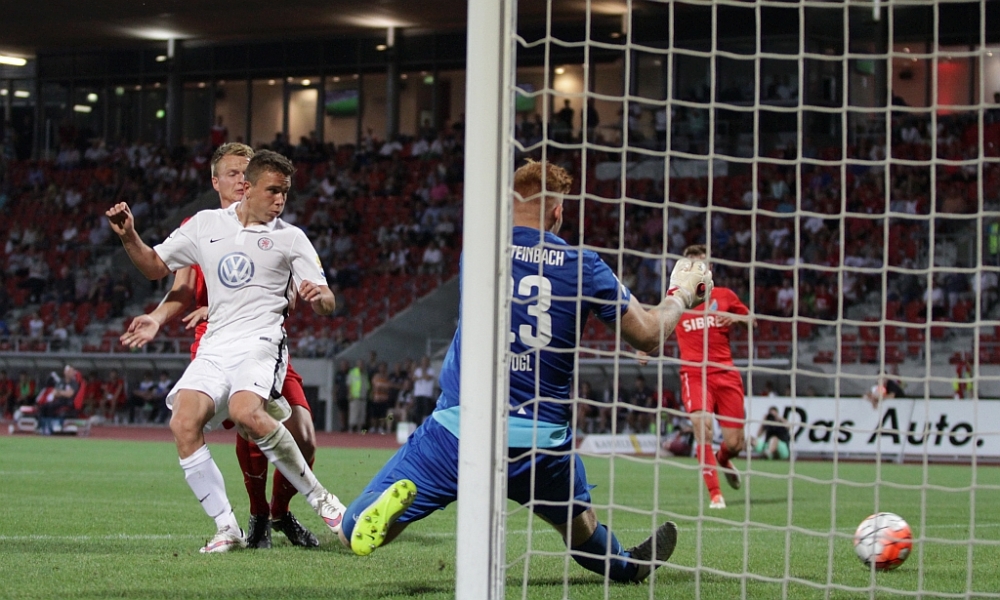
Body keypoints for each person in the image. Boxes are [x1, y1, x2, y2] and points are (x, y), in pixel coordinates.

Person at [337, 160, 713, 584]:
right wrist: (680, 297)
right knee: (582, 531)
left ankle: (374, 514)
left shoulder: (478, 253)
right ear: (557, 212)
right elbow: (647, 336)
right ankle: (625, 565)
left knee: (360, 524)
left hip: (460, 431)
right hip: (542, 443)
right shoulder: (584, 265)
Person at [106, 149, 346, 553]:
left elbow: (326, 299)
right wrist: (130, 235)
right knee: (183, 422)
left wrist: (318, 296)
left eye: (285, 193)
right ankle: (228, 528)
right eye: (274, 191)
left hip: (261, 344)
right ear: (244, 187)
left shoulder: (290, 237)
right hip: (215, 344)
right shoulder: (204, 225)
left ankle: (322, 502)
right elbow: (155, 268)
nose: (280, 200)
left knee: (248, 414)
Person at [672, 244, 753, 510]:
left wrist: (735, 317)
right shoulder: (675, 300)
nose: (698, 270)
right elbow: (655, 323)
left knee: (735, 443)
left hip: (726, 373)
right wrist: (644, 347)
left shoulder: (725, 295)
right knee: (702, 429)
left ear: (710, 269)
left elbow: (751, 320)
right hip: (694, 374)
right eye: (692, 266)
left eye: (702, 265)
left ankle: (724, 457)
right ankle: (715, 494)